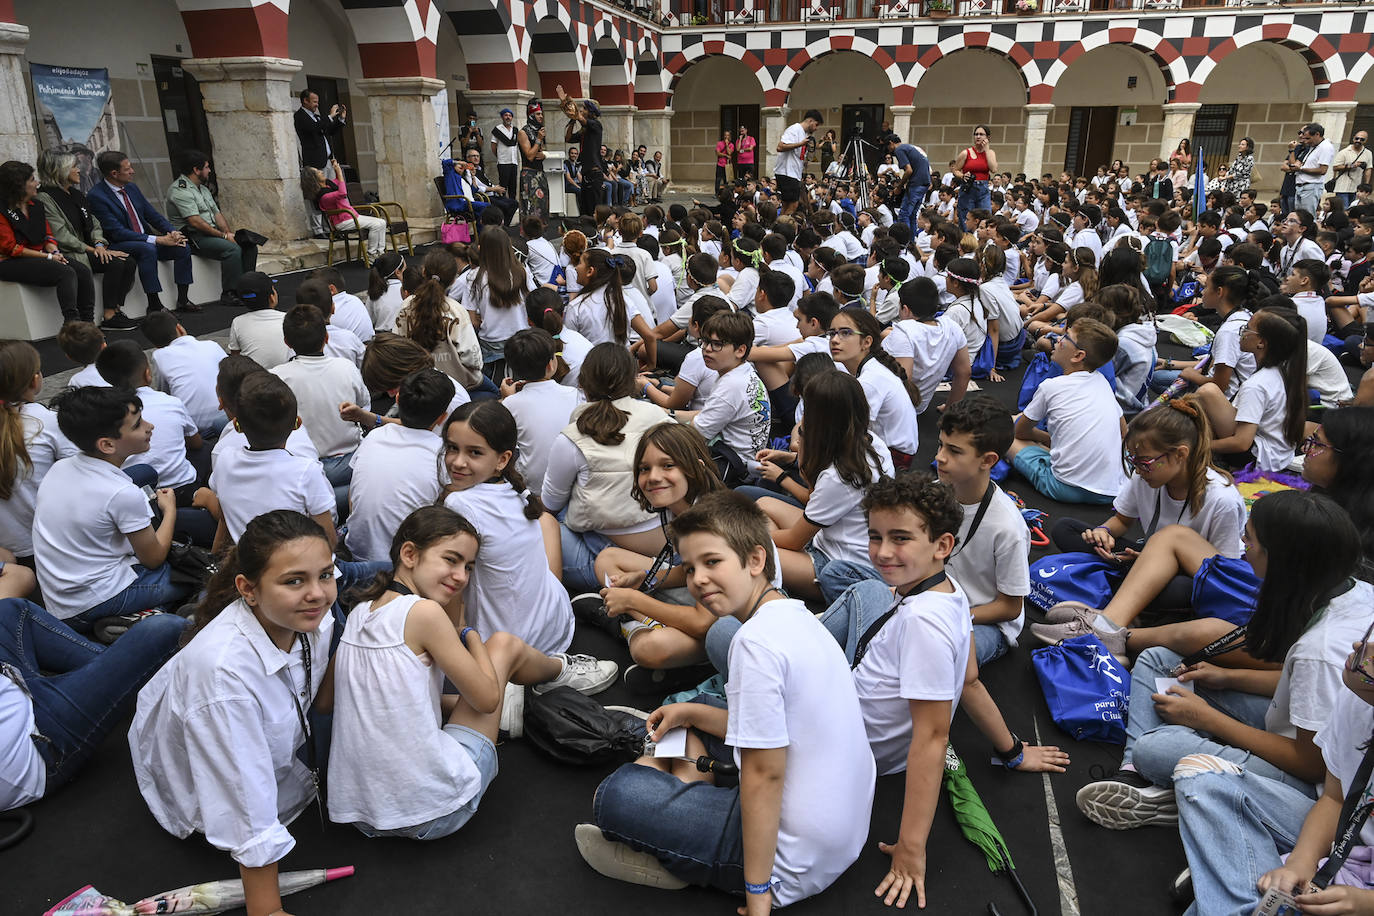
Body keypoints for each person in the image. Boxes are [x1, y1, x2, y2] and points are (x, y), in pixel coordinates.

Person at [576, 491, 876, 912]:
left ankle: (680, 832)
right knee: (690, 716)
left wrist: (758, 897)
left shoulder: (755, 645)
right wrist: (693, 712)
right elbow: (780, 727)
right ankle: (684, 787)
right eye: (691, 566)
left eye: (712, 562)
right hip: (842, 832)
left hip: (789, 862)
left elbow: (764, 778)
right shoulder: (796, 616)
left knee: (617, 795)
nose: (697, 579)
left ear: (755, 560)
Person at [1072, 492, 1367, 834]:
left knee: (1155, 749)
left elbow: (1311, 764)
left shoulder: (1323, 649)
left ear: (1280, 559)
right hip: (1289, 729)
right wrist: (1228, 677)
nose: (1243, 546)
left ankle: (1157, 769)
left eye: (1250, 539)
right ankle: (1138, 777)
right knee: (1159, 660)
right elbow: (1302, 693)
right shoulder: (1350, 591)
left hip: (1311, 789)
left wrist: (1207, 718)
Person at [328, 505, 614, 839]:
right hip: (435, 812)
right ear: (409, 554)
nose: (462, 576)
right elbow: (487, 699)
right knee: (504, 645)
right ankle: (560, 671)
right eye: (451, 560)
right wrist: (467, 632)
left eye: (468, 567)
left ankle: (527, 697)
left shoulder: (360, 611)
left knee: (456, 690)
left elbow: (327, 702)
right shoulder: (425, 613)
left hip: (362, 815)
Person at [129, 510, 337, 916]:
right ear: (249, 589)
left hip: (284, 747)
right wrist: (268, 909)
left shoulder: (313, 614)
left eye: (326, 575)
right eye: (295, 580)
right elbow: (243, 798)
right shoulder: (222, 678)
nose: (318, 594)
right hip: (204, 784)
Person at [0, 596, 185, 813]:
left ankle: (123, 674)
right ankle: (128, 674)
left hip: (13, 687)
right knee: (165, 629)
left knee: (10, 610)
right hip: (36, 742)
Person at [32, 386, 188, 627]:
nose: (150, 426)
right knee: (196, 575)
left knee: (144, 473)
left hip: (58, 598)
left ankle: (134, 614)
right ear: (106, 445)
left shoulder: (59, 468)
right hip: (97, 598)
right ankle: (135, 616)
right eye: (137, 425)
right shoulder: (122, 494)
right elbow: (154, 559)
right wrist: (170, 511)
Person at [442, 401, 586, 659]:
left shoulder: (459, 504)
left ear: (502, 459)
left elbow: (453, 584)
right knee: (547, 523)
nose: (458, 462)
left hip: (507, 648)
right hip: (554, 623)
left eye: (474, 453)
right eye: (452, 448)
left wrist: (454, 636)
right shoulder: (512, 486)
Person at [542, 344, 672, 593]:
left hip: (605, 557)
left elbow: (551, 503)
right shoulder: (659, 418)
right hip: (667, 545)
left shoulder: (571, 438)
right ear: (632, 379)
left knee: (542, 522)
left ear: (583, 383)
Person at [208, 372, 334, 548]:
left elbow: (224, 513)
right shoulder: (306, 471)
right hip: (305, 567)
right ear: (296, 424)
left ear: (237, 426)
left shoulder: (224, 459)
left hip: (251, 565)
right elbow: (328, 541)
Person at [1008, 318, 1126, 505]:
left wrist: (1047, 439)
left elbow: (1020, 432)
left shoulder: (1051, 386)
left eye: (1065, 337)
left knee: (1008, 435)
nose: (1056, 340)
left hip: (1066, 487)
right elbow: (1123, 432)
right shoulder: (1102, 382)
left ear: (1078, 356)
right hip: (1114, 490)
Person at [343, 368, 452, 564]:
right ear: (442, 417)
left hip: (356, 551)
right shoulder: (442, 455)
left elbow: (353, 498)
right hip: (403, 563)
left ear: (398, 399)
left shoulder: (375, 436)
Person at [271, 304, 369, 512]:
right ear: (326, 338)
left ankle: (314, 502)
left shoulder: (276, 376)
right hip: (350, 463)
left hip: (303, 468)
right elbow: (364, 408)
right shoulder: (347, 368)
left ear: (287, 342)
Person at [1191, 306, 1307, 472]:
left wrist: (1200, 445)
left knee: (1207, 391)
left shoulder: (1257, 385)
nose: (1242, 332)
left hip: (1256, 460)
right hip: (1278, 455)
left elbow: (1241, 443)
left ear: (1261, 342)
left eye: (1247, 328)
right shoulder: (1285, 371)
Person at [35, 149, 138, 330]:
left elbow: (94, 223)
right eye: (73, 167)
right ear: (60, 170)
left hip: (91, 248)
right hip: (70, 252)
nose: (78, 170)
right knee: (114, 263)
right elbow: (61, 235)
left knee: (127, 261)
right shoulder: (45, 197)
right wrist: (93, 250)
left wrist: (99, 243)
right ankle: (101, 318)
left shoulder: (76, 194)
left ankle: (113, 311)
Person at [86, 151, 198, 313]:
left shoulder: (131, 188)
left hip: (144, 238)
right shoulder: (97, 196)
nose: (132, 171)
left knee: (181, 246)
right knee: (147, 249)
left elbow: (152, 215)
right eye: (128, 168)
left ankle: (183, 299)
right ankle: (154, 304)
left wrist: (172, 232)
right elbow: (117, 232)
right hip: (120, 243)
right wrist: (157, 240)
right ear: (114, 173)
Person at [0, 340, 77, 563]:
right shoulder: (45, 422)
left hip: (9, 553)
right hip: (53, 545)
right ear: (35, 380)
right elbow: (86, 473)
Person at [0, 159, 95, 325]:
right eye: (32, 180)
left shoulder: (35, 205)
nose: (37, 183)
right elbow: (10, 248)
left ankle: (88, 323)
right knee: (65, 272)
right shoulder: (2, 210)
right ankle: (72, 324)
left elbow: (47, 235)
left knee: (82, 270)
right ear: (19, 186)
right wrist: (48, 258)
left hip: (38, 256)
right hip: (9, 261)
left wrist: (54, 251)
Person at [164, 149, 259, 297]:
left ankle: (248, 288)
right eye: (207, 167)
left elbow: (217, 214)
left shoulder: (202, 189)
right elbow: (195, 222)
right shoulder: (180, 190)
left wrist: (228, 233)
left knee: (249, 244)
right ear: (196, 170)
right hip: (194, 238)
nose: (209, 170)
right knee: (232, 250)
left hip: (211, 234)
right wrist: (225, 237)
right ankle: (230, 293)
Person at [500, 328, 579, 493]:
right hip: (572, 484)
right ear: (551, 364)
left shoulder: (510, 404)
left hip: (531, 488)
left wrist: (508, 399)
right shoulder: (575, 395)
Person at [143, 310, 228, 438]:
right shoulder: (212, 345)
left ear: (154, 344)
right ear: (180, 328)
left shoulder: (160, 356)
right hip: (229, 416)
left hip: (196, 429)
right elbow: (233, 373)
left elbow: (164, 392)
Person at [304, 158, 386, 259]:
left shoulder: (329, 185)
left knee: (382, 222)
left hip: (351, 216)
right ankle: (371, 254)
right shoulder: (323, 195)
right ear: (314, 179)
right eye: (317, 172)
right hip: (342, 222)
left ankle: (380, 252)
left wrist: (336, 169)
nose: (321, 171)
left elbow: (338, 182)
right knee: (376, 225)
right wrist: (339, 172)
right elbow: (342, 193)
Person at [558, 85, 606, 218]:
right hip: (586, 173)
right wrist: (572, 121)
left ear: (591, 112)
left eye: (584, 108)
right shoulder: (584, 130)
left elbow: (582, 119)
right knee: (584, 209)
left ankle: (597, 233)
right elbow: (568, 138)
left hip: (594, 173)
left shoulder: (596, 125)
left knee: (594, 208)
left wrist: (574, 112)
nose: (581, 110)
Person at [227, 271, 291, 370]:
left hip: (253, 379)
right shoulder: (288, 318)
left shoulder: (238, 322)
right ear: (272, 298)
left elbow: (235, 356)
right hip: (285, 378)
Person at [774, 110, 823, 217]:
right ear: (810, 121)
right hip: (786, 172)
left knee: (787, 204)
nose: (816, 128)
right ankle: (783, 227)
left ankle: (780, 226)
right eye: (816, 124)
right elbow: (780, 147)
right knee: (793, 204)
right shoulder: (794, 129)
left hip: (793, 173)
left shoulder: (804, 134)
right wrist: (800, 144)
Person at [885, 133, 931, 236]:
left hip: (916, 183)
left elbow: (909, 170)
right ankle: (912, 242)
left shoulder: (899, 149)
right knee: (912, 215)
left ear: (891, 143)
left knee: (904, 214)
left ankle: (905, 242)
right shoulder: (910, 147)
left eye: (888, 146)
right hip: (924, 183)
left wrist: (899, 186)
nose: (889, 149)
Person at [953, 125, 997, 230]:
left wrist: (986, 150)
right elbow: (955, 170)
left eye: (981, 134)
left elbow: (994, 169)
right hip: (968, 188)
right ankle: (966, 242)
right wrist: (963, 175)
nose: (978, 137)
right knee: (966, 217)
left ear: (988, 137)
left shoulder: (990, 153)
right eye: (976, 134)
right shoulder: (965, 153)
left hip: (983, 188)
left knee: (986, 216)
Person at [459, 149, 518, 227]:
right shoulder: (467, 171)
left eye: (478, 156)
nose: (476, 158)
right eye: (473, 156)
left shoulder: (480, 169)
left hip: (490, 195)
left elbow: (487, 183)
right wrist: (493, 189)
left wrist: (497, 188)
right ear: (468, 158)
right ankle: (500, 226)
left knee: (514, 203)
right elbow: (474, 188)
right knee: (505, 206)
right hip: (480, 197)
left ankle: (504, 226)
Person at [293, 89, 346, 171]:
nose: (317, 105)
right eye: (314, 102)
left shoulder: (317, 117)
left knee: (332, 184)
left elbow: (330, 131)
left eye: (317, 102)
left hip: (328, 161)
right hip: (315, 163)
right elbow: (314, 127)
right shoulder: (299, 116)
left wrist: (341, 119)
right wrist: (330, 116)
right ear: (305, 101)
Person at [1292, 123, 1335, 217]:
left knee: (1307, 217)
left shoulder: (1325, 147)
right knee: (1299, 217)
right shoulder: (1314, 146)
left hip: (1311, 186)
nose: (1306, 141)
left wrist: (1301, 169)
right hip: (1301, 186)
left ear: (1317, 134)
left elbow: (1323, 170)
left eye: (1308, 138)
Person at [517, 100, 549, 220]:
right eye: (538, 114)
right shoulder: (523, 132)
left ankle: (540, 233)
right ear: (531, 115)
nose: (541, 116)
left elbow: (541, 150)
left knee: (542, 206)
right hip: (529, 174)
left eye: (541, 114)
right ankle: (529, 233)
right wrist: (539, 139)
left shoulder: (539, 130)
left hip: (540, 173)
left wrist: (544, 155)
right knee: (530, 207)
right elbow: (530, 156)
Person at [490, 107, 521, 204]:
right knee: (503, 185)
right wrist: (500, 156)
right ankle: (502, 204)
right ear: (502, 117)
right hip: (503, 162)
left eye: (510, 115)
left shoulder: (515, 130)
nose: (508, 117)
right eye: (506, 115)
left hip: (514, 161)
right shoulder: (498, 130)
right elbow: (493, 146)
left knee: (513, 185)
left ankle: (512, 204)